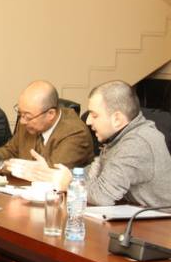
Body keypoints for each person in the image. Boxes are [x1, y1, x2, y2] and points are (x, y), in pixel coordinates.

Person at [34, 81, 171, 206]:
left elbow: (102, 196)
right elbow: (94, 172)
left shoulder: (137, 142)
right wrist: (54, 175)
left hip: (160, 222)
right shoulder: (121, 136)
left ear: (117, 119)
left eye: (94, 115)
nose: (88, 121)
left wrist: (69, 183)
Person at [0, 80, 93, 172]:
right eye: (20, 114)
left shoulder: (75, 133)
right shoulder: (28, 123)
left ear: (50, 114)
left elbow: (46, 171)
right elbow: (11, 150)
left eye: (27, 116)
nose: (22, 121)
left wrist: (0, 166)